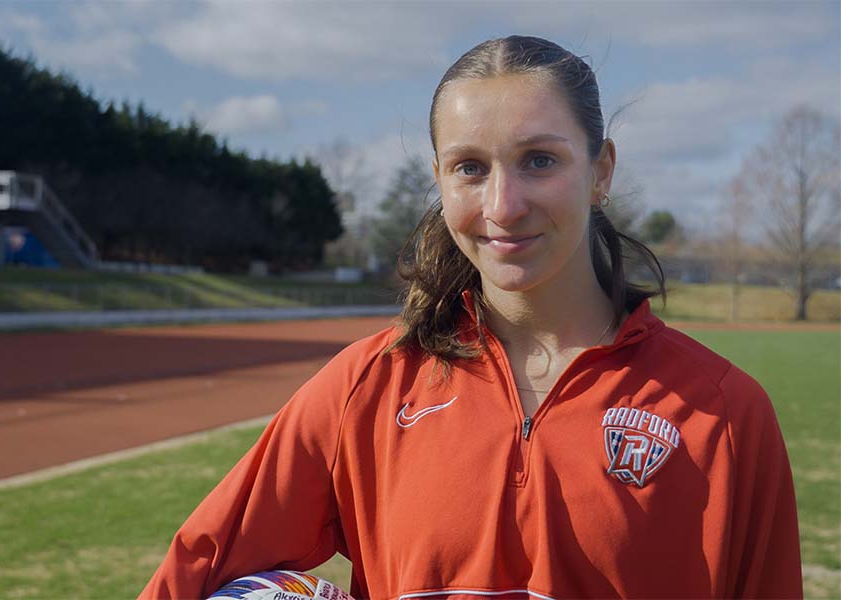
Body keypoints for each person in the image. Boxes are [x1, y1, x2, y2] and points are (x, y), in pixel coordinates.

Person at [140, 36, 802, 599]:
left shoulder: (723, 414)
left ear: (601, 171)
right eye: (469, 168)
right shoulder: (365, 389)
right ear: (439, 179)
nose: (503, 205)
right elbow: (190, 573)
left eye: (539, 161)